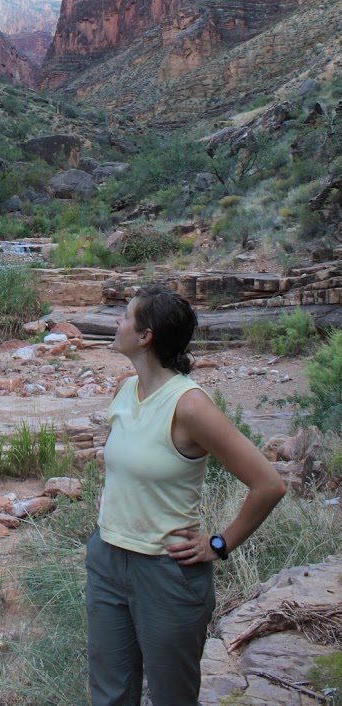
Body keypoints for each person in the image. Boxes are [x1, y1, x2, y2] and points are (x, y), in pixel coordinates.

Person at [86, 285, 286, 706]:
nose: (117, 323)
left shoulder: (190, 406)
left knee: (172, 697)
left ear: (146, 336)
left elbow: (269, 484)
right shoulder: (125, 391)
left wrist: (220, 543)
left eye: (126, 316)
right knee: (109, 694)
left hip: (166, 571)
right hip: (107, 559)